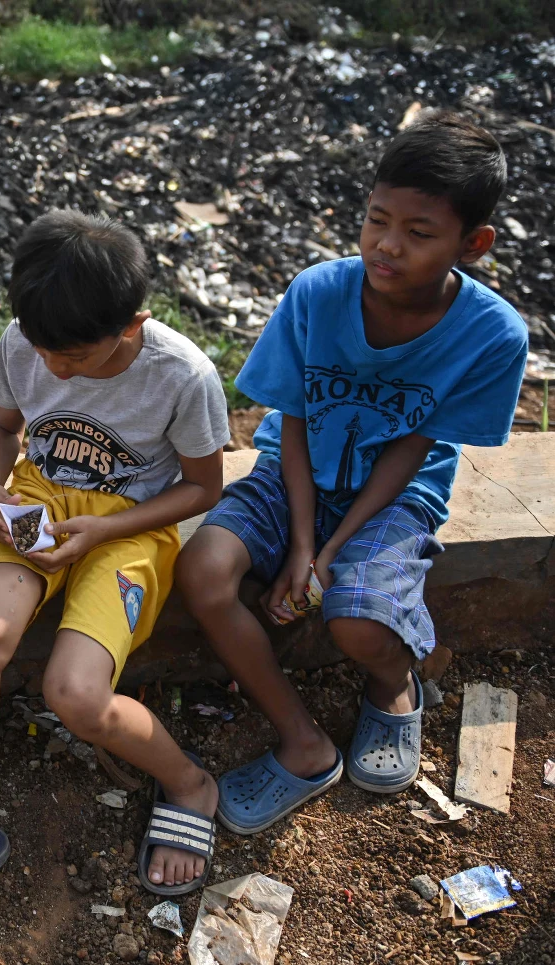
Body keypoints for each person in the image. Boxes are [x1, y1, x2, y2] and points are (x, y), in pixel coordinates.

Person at [0, 210, 231, 938]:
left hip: (131, 524)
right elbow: (3, 426)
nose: (55, 368)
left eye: (76, 357)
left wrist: (105, 529)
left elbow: (201, 489)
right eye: (43, 350)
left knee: (75, 693)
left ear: (134, 324)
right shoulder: (24, 340)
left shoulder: (182, 375)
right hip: (38, 501)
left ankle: (190, 783)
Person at [177, 111, 527, 835]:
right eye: (376, 220)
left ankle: (392, 684)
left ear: (475, 243)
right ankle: (303, 740)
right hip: (292, 473)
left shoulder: (493, 334)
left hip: (397, 495)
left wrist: (332, 557)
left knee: (359, 620)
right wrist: (303, 547)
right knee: (205, 568)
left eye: (419, 233)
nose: (386, 245)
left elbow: (414, 446)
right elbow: (296, 423)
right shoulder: (319, 294)